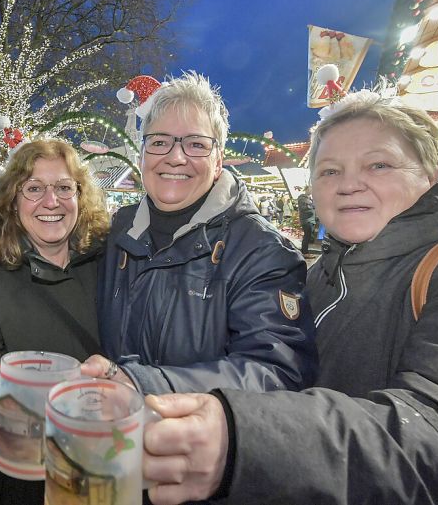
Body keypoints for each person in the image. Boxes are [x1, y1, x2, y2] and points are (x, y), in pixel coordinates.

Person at [140, 89, 438, 505]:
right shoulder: (322, 274)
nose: (349, 185)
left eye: (378, 165)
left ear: (430, 172)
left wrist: (246, 442)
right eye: (329, 171)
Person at [86, 71, 316, 396]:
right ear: (142, 155)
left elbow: (276, 371)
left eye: (196, 144)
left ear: (218, 159)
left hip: (193, 442)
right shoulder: (116, 232)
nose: (176, 157)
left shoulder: (262, 252)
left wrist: (148, 387)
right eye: (160, 142)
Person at [0, 139, 111, 504]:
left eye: (64, 187)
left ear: (80, 196)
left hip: (108, 462)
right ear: (13, 201)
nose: (52, 202)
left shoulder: (111, 263)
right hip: (27, 475)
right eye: (34, 189)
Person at [296, 186, 316, 254]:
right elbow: (303, 208)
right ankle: (305, 252)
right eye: (310, 189)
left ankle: (305, 252)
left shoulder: (309, 198)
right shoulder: (302, 198)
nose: (311, 191)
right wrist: (312, 206)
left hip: (310, 220)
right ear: (306, 190)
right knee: (307, 237)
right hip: (306, 220)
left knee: (308, 236)